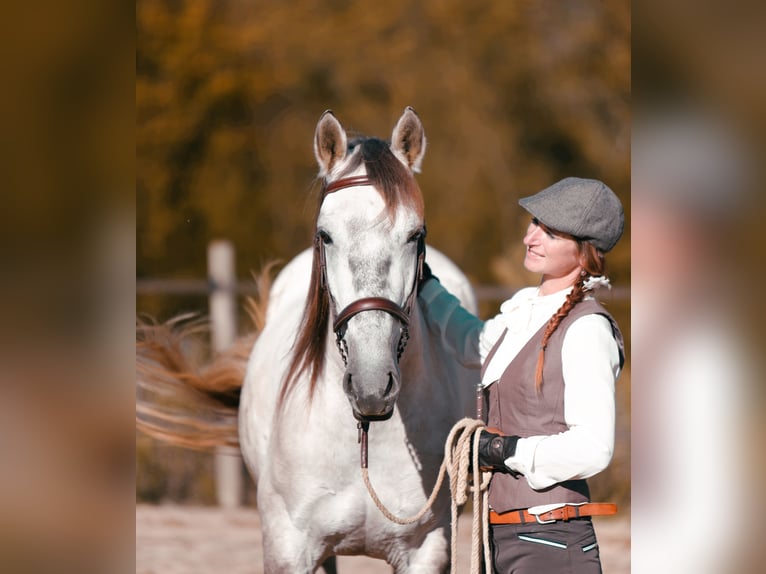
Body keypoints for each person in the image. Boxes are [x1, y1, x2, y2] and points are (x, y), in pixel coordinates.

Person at [419, 177, 625, 573]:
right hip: (499, 537)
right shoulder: (526, 310)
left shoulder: (587, 328)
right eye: (533, 223)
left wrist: (507, 451)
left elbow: (594, 446)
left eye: (549, 232)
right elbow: (472, 343)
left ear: (584, 253)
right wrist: (426, 286)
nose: (530, 237)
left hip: (550, 542)